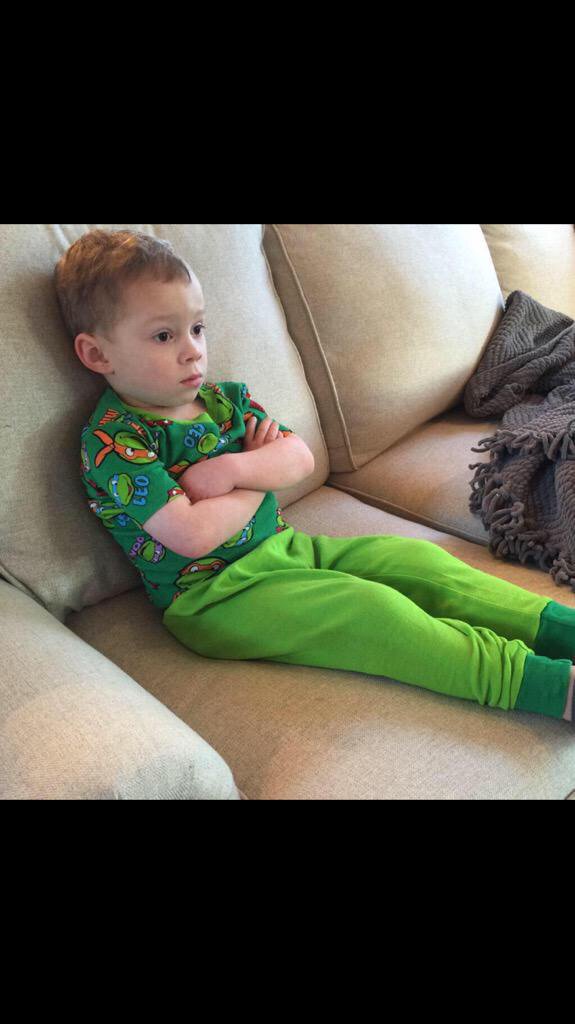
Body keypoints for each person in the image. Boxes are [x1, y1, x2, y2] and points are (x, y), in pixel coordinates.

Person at [55, 228, 575, 724]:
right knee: (371, 610)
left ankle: (561, 629)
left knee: (417, 561)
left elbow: (298, 459)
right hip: (215, 598)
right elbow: (191, 534)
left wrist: (233, 470)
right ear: (96, 353)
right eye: (164, 335)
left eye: (197, 328)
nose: (193, 350)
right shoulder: (114, 441)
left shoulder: (223, 400)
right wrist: (260, 473)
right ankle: (546, 687)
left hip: (290, 548)